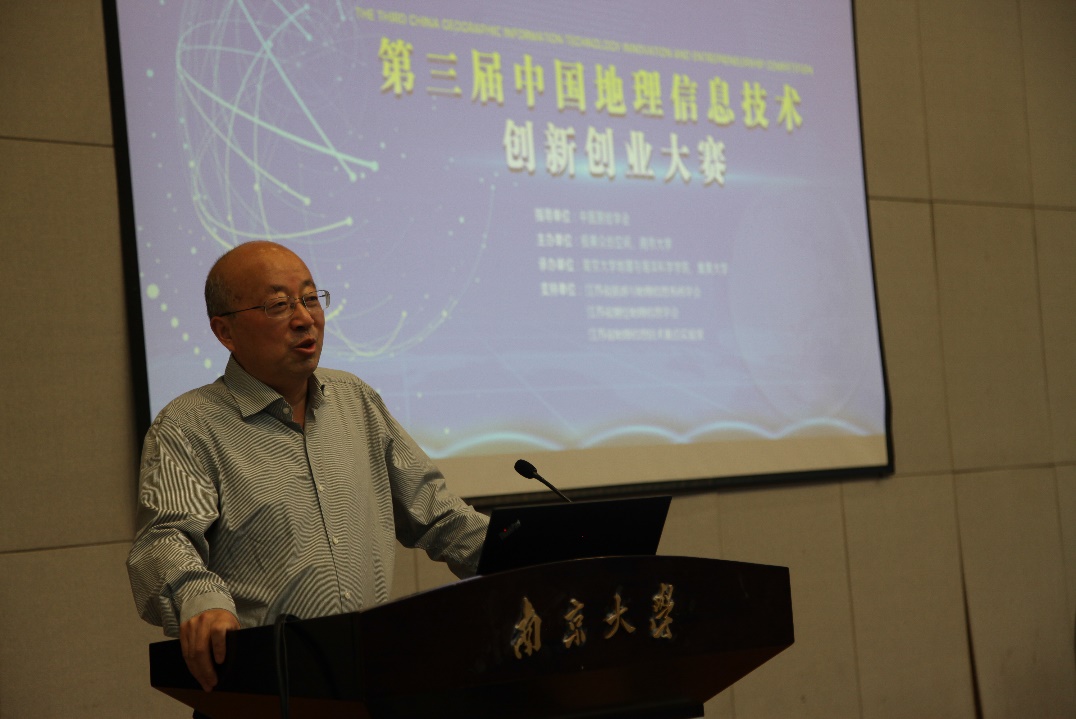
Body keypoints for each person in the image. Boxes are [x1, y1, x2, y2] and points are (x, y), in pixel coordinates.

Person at [127, 240, 488, 695]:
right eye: (279, 305)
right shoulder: (188, 424)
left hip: (366, 684)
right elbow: (164, 539)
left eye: (311, 299)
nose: (304, 318)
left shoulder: (356, 400)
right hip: (264, 692)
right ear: (225, 331)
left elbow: (439, 515)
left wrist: (525, 553)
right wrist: (202, 600)